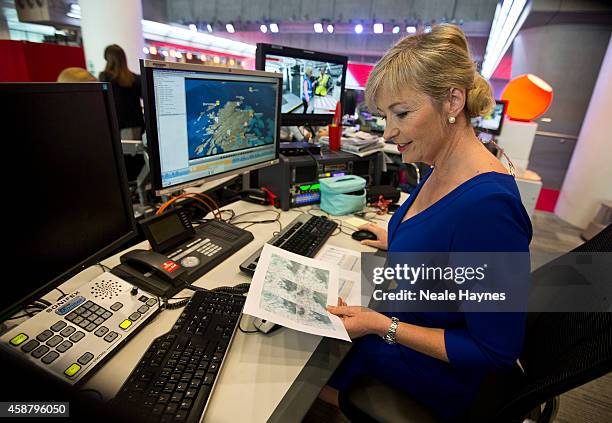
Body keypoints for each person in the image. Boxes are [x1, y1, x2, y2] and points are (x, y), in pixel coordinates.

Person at [320, 24, 532, 422]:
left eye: (401, 113)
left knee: (295, 373)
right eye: (385, 116)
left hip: (432, 374)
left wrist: (381, 325)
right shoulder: (441, 164)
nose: (389, 132)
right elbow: (448, 242)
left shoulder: (489, 209)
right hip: (403, 325)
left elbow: (495, 351)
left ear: (452, 101)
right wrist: (397, 238)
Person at [99, 44, 144, 140]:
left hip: (116, 124)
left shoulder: (105, 78)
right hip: (135, 124)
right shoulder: (135, 78)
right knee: (133, 153)